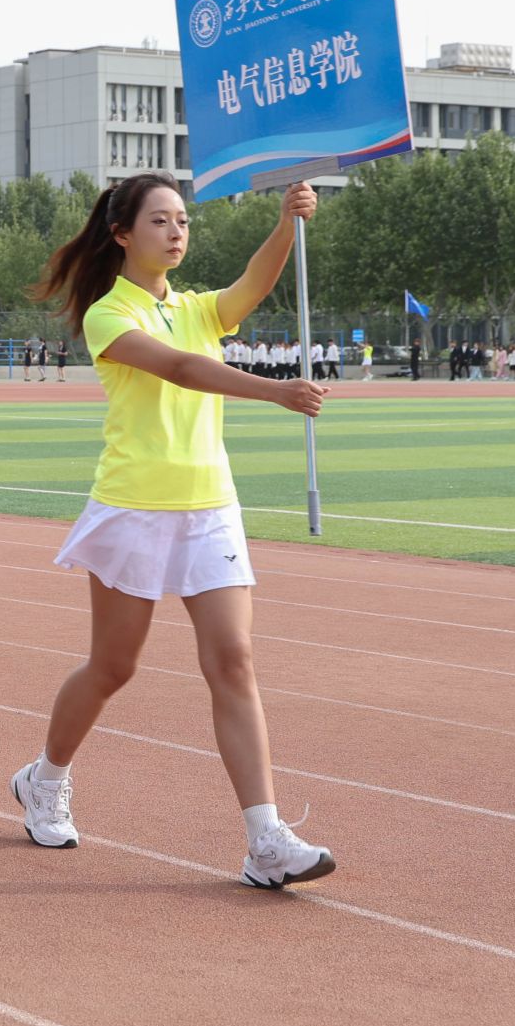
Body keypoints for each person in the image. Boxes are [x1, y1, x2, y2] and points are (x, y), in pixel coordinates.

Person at [17, 173, 336, 889]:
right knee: (113, 667)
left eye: (183, 220)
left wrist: (286, 223)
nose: (176, 231)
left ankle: (265, 839)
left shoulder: (196, 308)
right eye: (160, 220)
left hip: (209, 507)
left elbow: (252, 286)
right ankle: (45, 779)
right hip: (134, 506)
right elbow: (183, 369)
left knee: (233, 660)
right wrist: (274, 390)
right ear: (122, 233)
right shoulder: (109, 315)